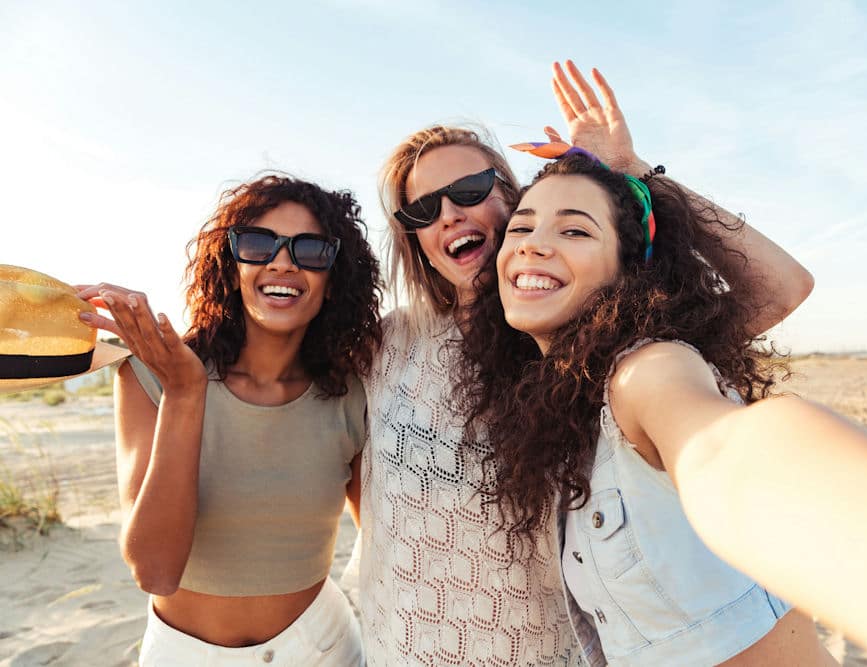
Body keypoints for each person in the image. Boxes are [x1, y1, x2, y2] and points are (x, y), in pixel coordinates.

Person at [457, 153, 867, 667]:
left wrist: (641, 173)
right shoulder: (560, 408)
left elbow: (723, 450)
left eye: (575, 230)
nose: (532, 246)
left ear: (627, 270)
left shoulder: (643, 370)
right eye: (521, 228)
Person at [358, 61, 815, 666]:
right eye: (422, 211)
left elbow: (778, 290)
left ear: (509, 194)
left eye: (468, 191)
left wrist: (633, 173)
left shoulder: (580, 338)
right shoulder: (389, 344)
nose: (448, 215)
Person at [77, 175, 381, 666]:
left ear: (335, 278)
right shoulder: (149, 375)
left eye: (311, 250)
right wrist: (185, 392)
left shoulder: (352, 393)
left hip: (323, 649)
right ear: (230, 265)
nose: (282, 262)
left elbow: (388, 538)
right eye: (259, 244)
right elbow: (155, 571)